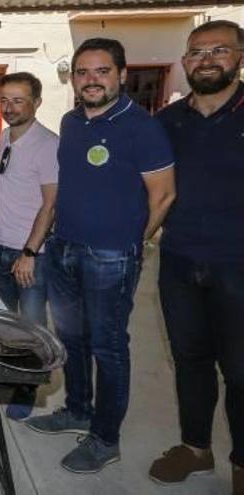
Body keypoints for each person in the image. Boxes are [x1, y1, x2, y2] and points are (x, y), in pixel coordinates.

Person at [24, 38, 176, 474]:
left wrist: (130, 243)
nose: (91, 80)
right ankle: (77, 410)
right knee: (71, 338)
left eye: (102, 71)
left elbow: (164, 196)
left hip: (111, 257)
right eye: (82, 72)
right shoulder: (71, 122)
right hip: (65, 249)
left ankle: (105, 437)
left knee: (108, 347)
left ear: (122, 75)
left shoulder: (142, 127)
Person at [148, 20, 244, 493]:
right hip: (181, 261)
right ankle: (196, 448)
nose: (207, 60)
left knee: (243, 370)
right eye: (197, 52)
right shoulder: (167, 122)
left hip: (239, 265)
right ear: (185, 63)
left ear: (239, 57)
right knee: (190, 360)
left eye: (219, 50)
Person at [0, 72, 59, 421]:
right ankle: (9, 375)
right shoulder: (5, 136)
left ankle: (28, 387)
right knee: (3, 322)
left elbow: (50, 204)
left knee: (32, 326)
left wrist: (29, 252)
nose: (10, 107)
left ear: (37, 102)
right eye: (5, 99)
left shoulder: (47, 144)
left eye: (19, 100)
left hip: (31, 255)